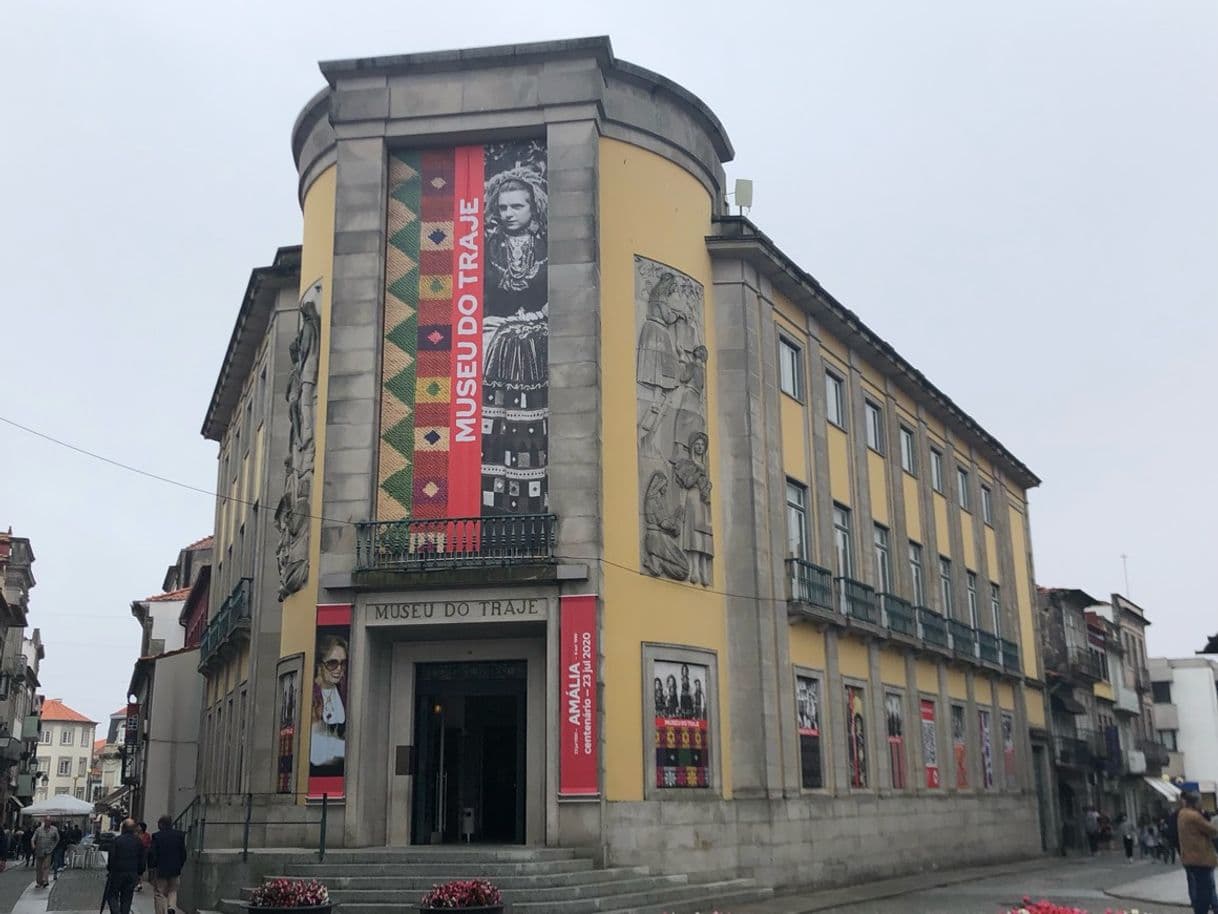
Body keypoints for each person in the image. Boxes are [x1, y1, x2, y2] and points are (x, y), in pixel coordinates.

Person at [310, 635, 348, 776]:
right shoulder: (312, 695)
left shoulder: (344, 692)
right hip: (319, 772)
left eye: (342, 663)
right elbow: (316, 752)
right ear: (320, 665)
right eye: (332, 663)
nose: (339, 669)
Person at [1179, 791, 1217, 914]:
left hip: (1189, 858)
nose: (1202, 803)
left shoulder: (1182, 813)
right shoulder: (1194, 816)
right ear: (1195, 803)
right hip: (1200, 859)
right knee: (1204, 892)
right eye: (1200, 801)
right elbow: (1212, 830)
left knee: (1199, 891)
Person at [148, 815, 186, 914]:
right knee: (173, 890)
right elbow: (183, 853)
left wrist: (152, 867)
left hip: (161, 868)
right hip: (175, 868)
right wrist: (180, 865)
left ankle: (160, 912)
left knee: (159, 892)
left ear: (161, 824)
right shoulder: (180, 835)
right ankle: (171, 907)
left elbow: (153, 853)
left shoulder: (157, 836)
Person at [107, 819, 145, 914]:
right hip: (132, 873)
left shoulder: (117, 840)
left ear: (123, 829)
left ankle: (116, 912)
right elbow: (142, 859)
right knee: (127, 898)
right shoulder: (138, 842)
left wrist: (110, 869)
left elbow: (112, 857)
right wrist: (140, 872)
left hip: (117, 873)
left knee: (112, 895)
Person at [32, 816, 58, 888]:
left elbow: (57, 839)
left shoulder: (54, 830)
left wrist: (53, 847)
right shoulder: (39, 830)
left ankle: (45, 880)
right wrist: (33, 845)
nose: (48, 822)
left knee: (46, 866)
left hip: (49, 851)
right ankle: (39, 882)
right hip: (39, 850)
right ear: (44, 821)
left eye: (49, 821)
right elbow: (33, 839)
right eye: (46, 821)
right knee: (39, 867)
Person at [135, 822, 152, 892]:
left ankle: (139, 883)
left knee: (141, 869)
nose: (137, 828)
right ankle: (137, 883)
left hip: (143, 854)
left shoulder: (147, 835)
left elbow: (148, 844)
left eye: (139, 826)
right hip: (135, 853)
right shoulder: (135, 835)